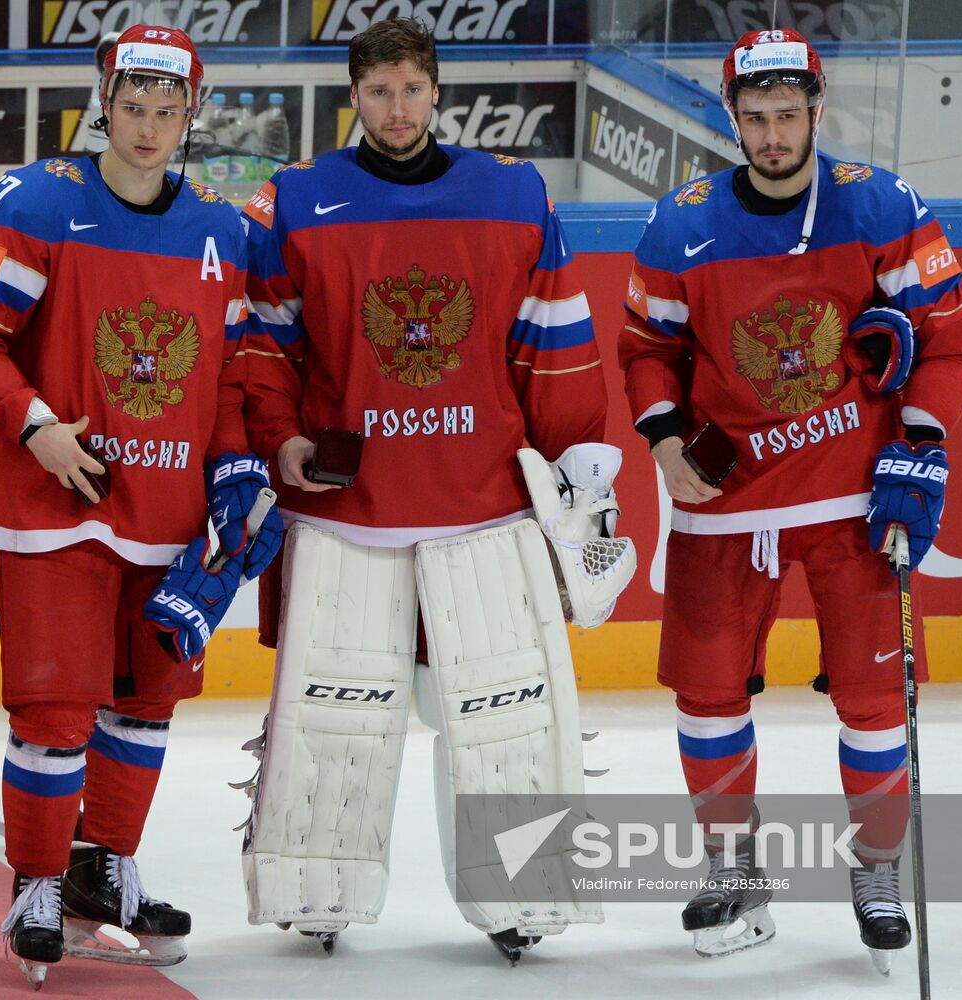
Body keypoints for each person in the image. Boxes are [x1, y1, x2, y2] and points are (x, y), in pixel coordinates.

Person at [238, 16, 623, 963]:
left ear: (438, 92)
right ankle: (314, 886)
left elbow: (554, 333)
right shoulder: (296, 200)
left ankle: (522, 896)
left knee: (507, 716)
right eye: (378, 93)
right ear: (353, 98)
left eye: (412, 90)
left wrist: (577, 467)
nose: (397, 110)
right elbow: (265, 340)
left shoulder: (510, 194)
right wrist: (279, 440)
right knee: (336, 713)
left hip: (482, 499)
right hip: (348, 505)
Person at [0, 23, 281, 989]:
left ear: (192, 115)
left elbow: (235, 370)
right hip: (59, 507)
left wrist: (237, 470)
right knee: (52, 708)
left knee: (147, 706)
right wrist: (34, 422)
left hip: (169, 520)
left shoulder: (219, 226)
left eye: (170, 111)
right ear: (105, 103)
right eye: (134, 107)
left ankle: (103, 871)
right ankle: (36, 882)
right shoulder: (41, 202)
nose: (150, 128)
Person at [617, 27, 962, 973]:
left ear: (817, 110)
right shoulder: (679, 222)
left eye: (788, 115)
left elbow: (947, 339)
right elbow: (646, 347)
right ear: (730, 118)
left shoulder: (880, 204)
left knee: (873, 698)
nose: (773, 133)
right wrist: (661, 438)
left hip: (852, 498)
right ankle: (733, 868)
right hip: (723, 500)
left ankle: (876, 867)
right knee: (704, 695)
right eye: (755, 117)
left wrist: (923, 442)